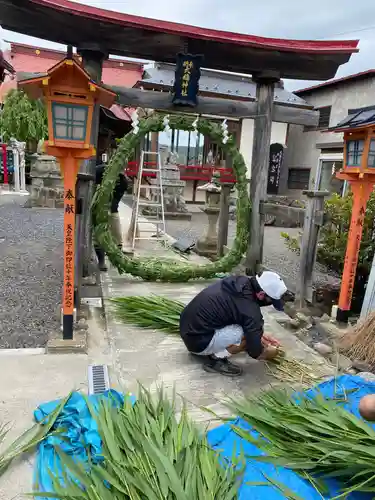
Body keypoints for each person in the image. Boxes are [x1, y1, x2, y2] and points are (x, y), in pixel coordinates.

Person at [179, 271, 288, 376]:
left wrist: (260, 335)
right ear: (261, 294)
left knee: (249, 330)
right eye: (270, 301)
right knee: (243, 334)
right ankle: (215, 359)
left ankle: (214, 347)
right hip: (198, 343)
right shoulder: (250, 309)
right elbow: (255, 352)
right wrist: (267, 353)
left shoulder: (239, 282)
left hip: (189, 331)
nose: (268, 304)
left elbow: (243, 317)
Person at [94, 160, 128, 272]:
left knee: (117, 235)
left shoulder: (123, 181)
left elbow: (116, 201)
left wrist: (108, 208)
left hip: (112, 208)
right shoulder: (99, 171)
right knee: (97, 236)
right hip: (96, 208)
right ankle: (101, 261)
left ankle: (118, 260)